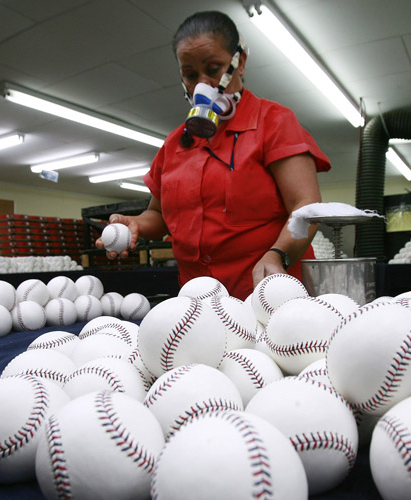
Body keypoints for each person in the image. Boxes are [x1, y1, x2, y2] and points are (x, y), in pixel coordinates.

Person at [95, 10, 330, 300]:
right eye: (190, 75)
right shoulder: (174, 144)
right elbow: (159, 214)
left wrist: (277, 255)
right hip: (200, 304)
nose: (201, 85)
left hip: (270, 297)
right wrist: (136, 225)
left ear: (239, 63)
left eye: (214, 69)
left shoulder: (275, 123)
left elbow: (306, 206)